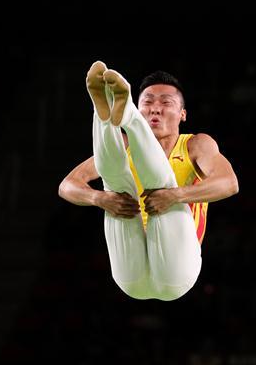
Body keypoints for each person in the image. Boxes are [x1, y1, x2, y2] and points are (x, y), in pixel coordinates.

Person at [58, 62, 239, 302]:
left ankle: (126, 117)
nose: (156, 109)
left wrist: (176, 196)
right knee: (115, 188)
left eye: (166, 103)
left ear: (183, 114)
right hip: (130, 277)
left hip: (178, 269)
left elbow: (229, 183)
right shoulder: (123, 146)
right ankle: (101, 110)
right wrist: (100, 198)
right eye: (147, 103)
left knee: (162, 186)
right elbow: (67, 186)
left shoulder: (196, 145)